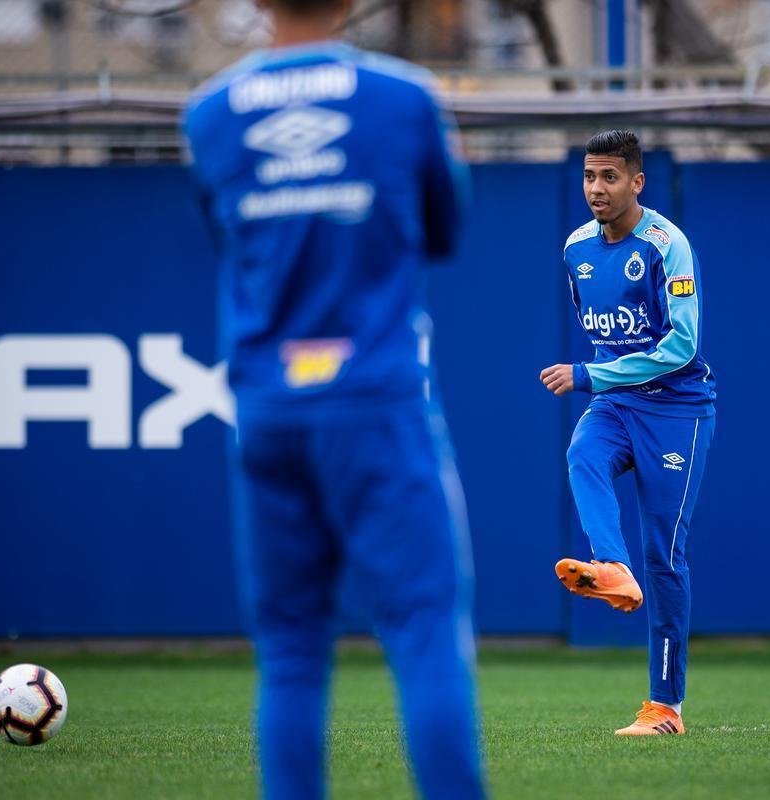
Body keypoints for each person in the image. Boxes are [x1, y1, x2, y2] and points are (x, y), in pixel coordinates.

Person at [183, 1, 485, 797]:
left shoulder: (209, 114)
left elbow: (230, 240)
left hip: (268, 409)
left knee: (288, 650)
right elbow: (447, 230)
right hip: (375, 400)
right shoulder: (405, 97)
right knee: (424, 629)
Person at [541, 130, 716, 736]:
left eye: (610, 177)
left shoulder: (669, 245)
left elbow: (683, 345)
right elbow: (603, 331)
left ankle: (665, 708)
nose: (597, 188)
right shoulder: (575, 248)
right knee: (581, 454)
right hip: (617, 404)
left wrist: (591, 374)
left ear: (637, 182)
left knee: (664, 557)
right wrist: (603, 378)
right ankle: (610, 566)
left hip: (677, 409)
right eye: (589, 176)